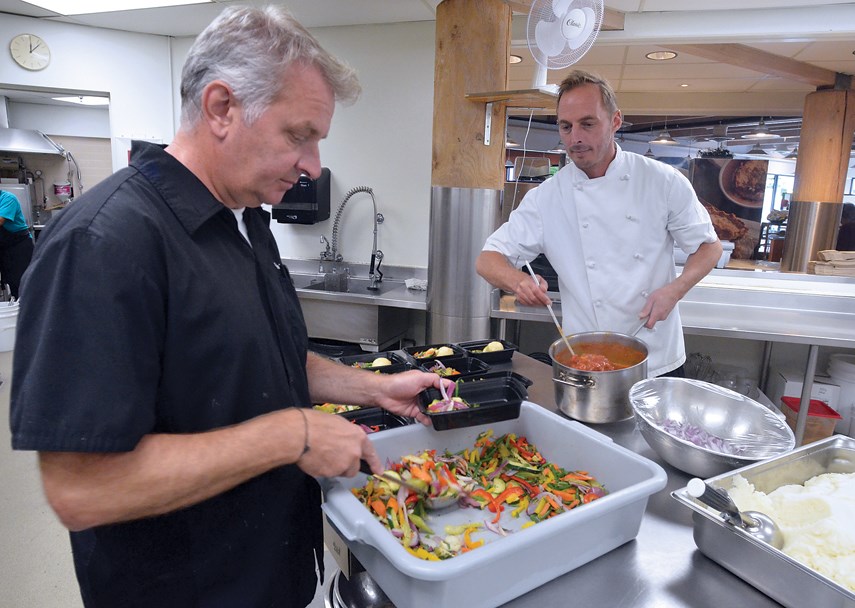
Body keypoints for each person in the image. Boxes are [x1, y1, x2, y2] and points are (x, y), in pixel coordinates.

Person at [10, 6, 449, 607]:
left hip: (279, 570)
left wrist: (373, 389)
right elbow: (80, 489)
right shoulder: (106, 244)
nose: (313, 167)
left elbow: (266, 359)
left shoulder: (246, 221)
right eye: (299, 135)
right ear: (221, 108)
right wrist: (292, 435)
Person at [476, 70, 722, 377]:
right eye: (565, 127)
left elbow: (708, 248)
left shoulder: (661, 180)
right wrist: (518, 282)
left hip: (656, 357)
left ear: (615, 121)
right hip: (582, 359)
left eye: (587, 124)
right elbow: (487, 260)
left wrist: (675, 290)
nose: (575, 138)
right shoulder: (548, 196)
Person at [0, 188, 34, 299]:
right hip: (5, 248)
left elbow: (0, 220)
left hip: (20, 247)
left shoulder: (8, 198)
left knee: (23, 283)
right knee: (11, 283)